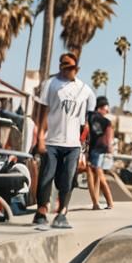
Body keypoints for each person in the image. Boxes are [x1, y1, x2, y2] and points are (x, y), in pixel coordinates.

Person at [34, 52, 97, 230]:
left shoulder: (85, 89)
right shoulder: (50, 84)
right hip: (52, 140)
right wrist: (40, 137)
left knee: (68, 179)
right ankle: (41, 211)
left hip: (73, 144)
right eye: (63, 65)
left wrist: (86, 140)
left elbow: (89, 119)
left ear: (76, 68)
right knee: (46, 176)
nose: (67, 69)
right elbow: (42, 113)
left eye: (70, 66)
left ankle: (62, 213)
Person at [81, 96, 116, 211]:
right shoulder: (106, 121)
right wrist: (109, 148)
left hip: (93, 149)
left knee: (94, 175)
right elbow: (109, 136)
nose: (107, 110)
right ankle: (107, 202)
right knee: (99, 176)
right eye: (106, 108)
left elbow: (85, 131)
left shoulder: (89, 116)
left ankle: (97, 203)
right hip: (101, 150)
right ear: (102, 107)